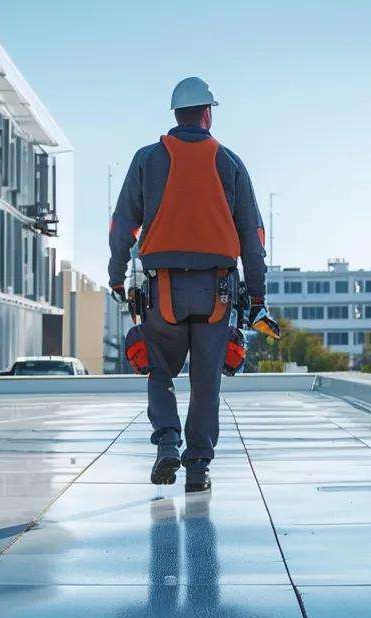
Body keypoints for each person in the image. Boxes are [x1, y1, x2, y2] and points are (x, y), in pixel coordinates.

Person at [108, 76, 268, 493]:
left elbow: (123, 223)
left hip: (162, 291)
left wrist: (115, 275)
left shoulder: (146, 159)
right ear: (207, 113)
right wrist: (256, 295)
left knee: (159, 371)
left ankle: (166, 443)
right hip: (216, 291)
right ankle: (197, 468)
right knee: (206, 381)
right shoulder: (229, 162)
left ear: (176, 115)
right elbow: (252, 236)